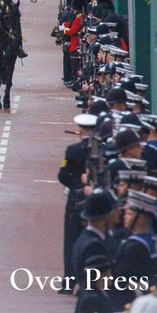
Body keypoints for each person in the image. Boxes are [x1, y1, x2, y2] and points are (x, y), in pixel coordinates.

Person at [60, 114, 100, 292]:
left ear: (81, 130)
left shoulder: (73, 150)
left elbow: (62, 176)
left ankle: (69, 281)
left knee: (71, 242)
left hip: (75, 202)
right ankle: (90, 281)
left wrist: (76, 183)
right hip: (96, 204)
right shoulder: (102, 150)